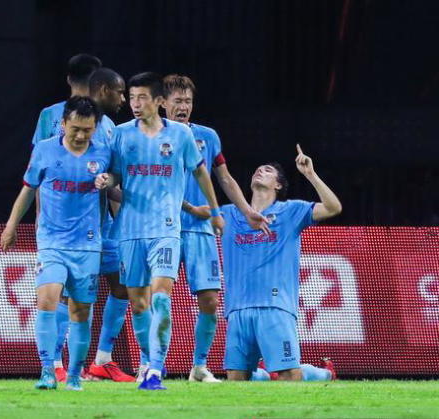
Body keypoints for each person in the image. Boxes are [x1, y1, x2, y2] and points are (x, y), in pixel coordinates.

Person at [95, 72, 224, 390]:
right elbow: (115, 175)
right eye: (132, 98)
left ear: (157, 101)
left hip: (166, 230)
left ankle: (155, 370)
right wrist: (106, 180)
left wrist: (215, 211)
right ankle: (147, 361)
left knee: (161, 299)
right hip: (131, 231)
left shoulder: (180, 135)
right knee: (139, 304)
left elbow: (201, 172)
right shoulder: (121, 134)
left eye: (142, 98)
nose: (135, 104)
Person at [161, 74, 268, 383]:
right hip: (164, 229)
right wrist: (189, 207)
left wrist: (248, 211)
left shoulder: (207, 136)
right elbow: (154, 184)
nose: (183, 107)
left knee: (210, 300)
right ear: (163, 103)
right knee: (159, 298)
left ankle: (199, 367)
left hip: (201, 231)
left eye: (188, 101)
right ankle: (151, 363)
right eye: (177, 101)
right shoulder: (154, 136)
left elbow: (225, 178)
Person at [1, 96, 108, 391]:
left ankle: (74, 375)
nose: (80, 135)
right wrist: (11, 225)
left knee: (80, 311)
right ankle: (48, 370)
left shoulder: (103, 152)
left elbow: (117, 182)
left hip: (87, 245)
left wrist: (109, 180)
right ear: (63, 124)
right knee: (47, 300)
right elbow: (27, 190)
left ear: (95, 127)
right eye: (75, 128)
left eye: (87, 130)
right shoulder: (45, 150)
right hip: (52, 242)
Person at [221, 145, 342, 381]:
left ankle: (323, 374)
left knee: (289, 374)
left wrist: (310, 175)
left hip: (275, 305)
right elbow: (193, 214)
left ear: (277, 185)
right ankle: (264, 377)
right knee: (236, 379)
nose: (260, 171)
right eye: (258, 169)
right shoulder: (229, 214)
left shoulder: (290, 211)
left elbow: (333, 208)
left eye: (267, 170)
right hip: (237, 307)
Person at [30, 54, 102, 381]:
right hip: (60, 227)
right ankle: (54, 366)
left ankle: (72, 369)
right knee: (53, 294)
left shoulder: (105, 125)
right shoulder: (51, 117)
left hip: (90, 228)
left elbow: (111, 175)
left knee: (79, 304)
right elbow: (39, 171)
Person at [83, 68, 136, 383]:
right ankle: (65, 366)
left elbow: (110, 180)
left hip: (106, 227)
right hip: (76, 229)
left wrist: (129, 204)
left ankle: (102, 360)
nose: (123, 99)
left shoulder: (111, 128)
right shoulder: (74, 122)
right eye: (120, 92)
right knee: (76, 296)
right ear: (103, 89)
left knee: (122, 285)